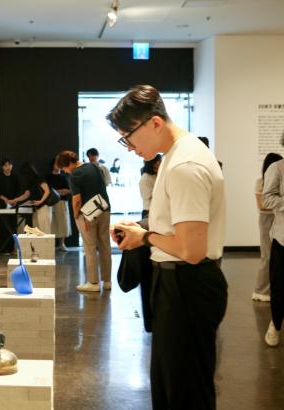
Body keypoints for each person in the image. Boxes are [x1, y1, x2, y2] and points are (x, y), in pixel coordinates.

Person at [107, 85, 227, 409]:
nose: (129, 148)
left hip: (188, 284)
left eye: (128, 137)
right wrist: (142, 229)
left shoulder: (185, 165)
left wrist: (144, 237)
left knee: (186, 391)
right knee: (169, 384)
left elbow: (191, 249)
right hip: (175, 283)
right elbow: (178, 229)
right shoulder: (176, 157)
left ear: (155, 123)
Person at [56, 150, 111, 292]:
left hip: (87, 213)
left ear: (69, 164)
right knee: (105, 245)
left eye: (64, 168)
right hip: (104, 207)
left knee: (90, 246)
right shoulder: (93, 166)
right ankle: (107, 282)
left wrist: (76, 215)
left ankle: (93, 283)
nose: (66, 172)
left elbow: (76, 199)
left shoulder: (75, 174)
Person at [261, 153, 284, 346]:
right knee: (279, 288)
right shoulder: (277, 168)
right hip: (282, 240)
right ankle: (275, 325)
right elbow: (266, 199)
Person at [253, 153, 283, 302]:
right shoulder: (261, 182)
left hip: (276, 219)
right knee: (267, 256)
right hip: (267, 220)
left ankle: (269, 290)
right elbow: (262, 205)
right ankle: (261, 291)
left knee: (273, 259)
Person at [0, 158, 22, 253]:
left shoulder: (15, 177)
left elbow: (19, 190)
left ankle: (12, 248)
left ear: (12, 166)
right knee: (3, 226)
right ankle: (3, 249)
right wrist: (6, 200)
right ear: (2, 167)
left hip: (13, 205)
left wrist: (15, 200)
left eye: (9, 165)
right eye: (5, 165)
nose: (8, 167)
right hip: (2, 205)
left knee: (13, 226)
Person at [17, 162, 52, 234]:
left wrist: (41, 201)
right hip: (35, 208)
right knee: (37, 231)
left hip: (43, 207)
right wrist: (15, 200)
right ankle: (39, 245)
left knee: (45, 231)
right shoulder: (30, 182)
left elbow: (47, 191)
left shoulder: (39, 178)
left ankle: (45, 245)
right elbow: (26, 195)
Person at [46, 157, 72, 251]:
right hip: (50, 202)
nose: (58, 166)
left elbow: (68, 190)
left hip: (62, 202)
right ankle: (51, 244)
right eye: (56, 164)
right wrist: (59, 191)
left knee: (63, 222)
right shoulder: (47, 177)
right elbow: (46, 191)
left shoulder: (64, 177)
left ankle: (62, 244)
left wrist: (55, 191)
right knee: (52, 223)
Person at [139, 154, 162, 219]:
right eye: (156, 164)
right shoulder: (146, 178)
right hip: (149, 211)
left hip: (156, 211)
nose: (159, 165)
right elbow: (147, 196)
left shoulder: (156, 176)